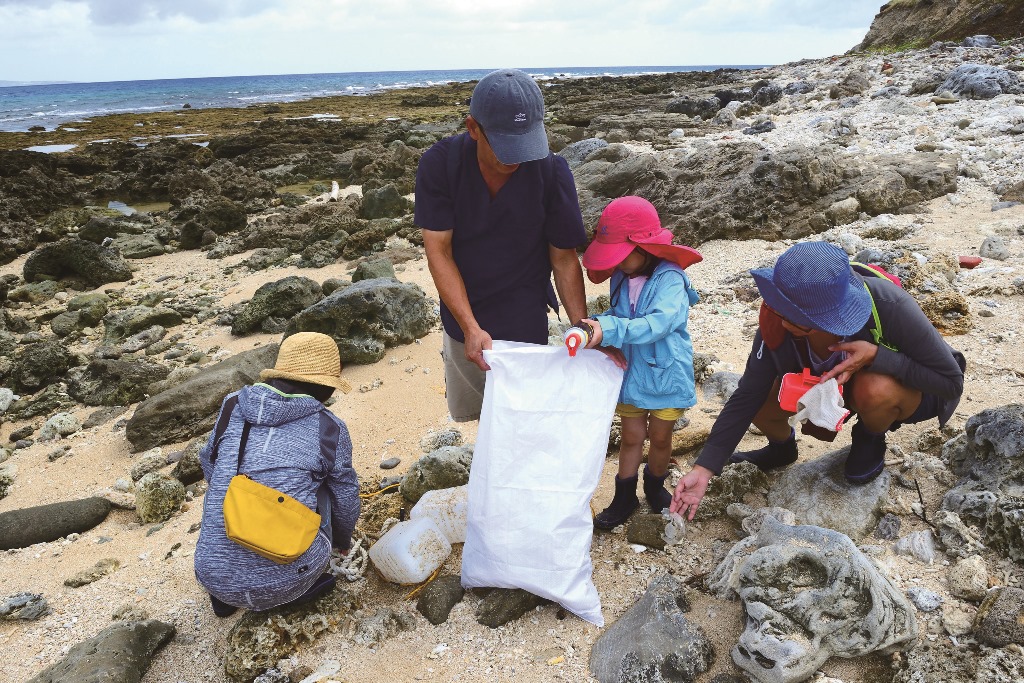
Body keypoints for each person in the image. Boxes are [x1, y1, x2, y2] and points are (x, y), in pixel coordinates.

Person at [670, 241, 966, 520]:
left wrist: (877, 356)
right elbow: (748, 393)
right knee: (762, 395)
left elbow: (950, 382)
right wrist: (704, 469)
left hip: (903, 388)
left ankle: (871, 434)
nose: (783, 319)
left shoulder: (889, 305)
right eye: (780, 306)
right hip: (826, 386)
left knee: (875, 388)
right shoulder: (777, 316)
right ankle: (781, 447)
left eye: (795, 316)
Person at [415, 68, 589, 422]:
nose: (516, 158)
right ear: (473, 128)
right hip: (463, 310)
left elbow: (564, 259)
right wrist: (469, 326)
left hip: (524, 312)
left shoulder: (550, 171)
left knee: (525, 415)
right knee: (480, 417)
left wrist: (581, 327)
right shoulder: (440, 165)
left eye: (525, 142)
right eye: (506, 145)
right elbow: (439, 252)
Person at [194, 332, 360, 616]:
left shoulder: (232, 404)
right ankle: (299, 585)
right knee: (328, 487)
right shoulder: (329, 427)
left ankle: (227, 589)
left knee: (227, 478)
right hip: (288, 576)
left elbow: (209, 462)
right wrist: (343, 542)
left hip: (211, 573)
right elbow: (345, 498)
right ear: (326, 388)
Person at [577, 196, 703, 530]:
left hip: (665, 376)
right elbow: (619, 316)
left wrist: (613, 329)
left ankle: (654, 486)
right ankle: (624, 496)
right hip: (632, 374)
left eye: (620, 255)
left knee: (661, 438)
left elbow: (659, 324)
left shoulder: (671, 281)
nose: (616, 264)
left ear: (644, 247)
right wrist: (597, 324)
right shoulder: (621, 277)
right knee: (631, 436)